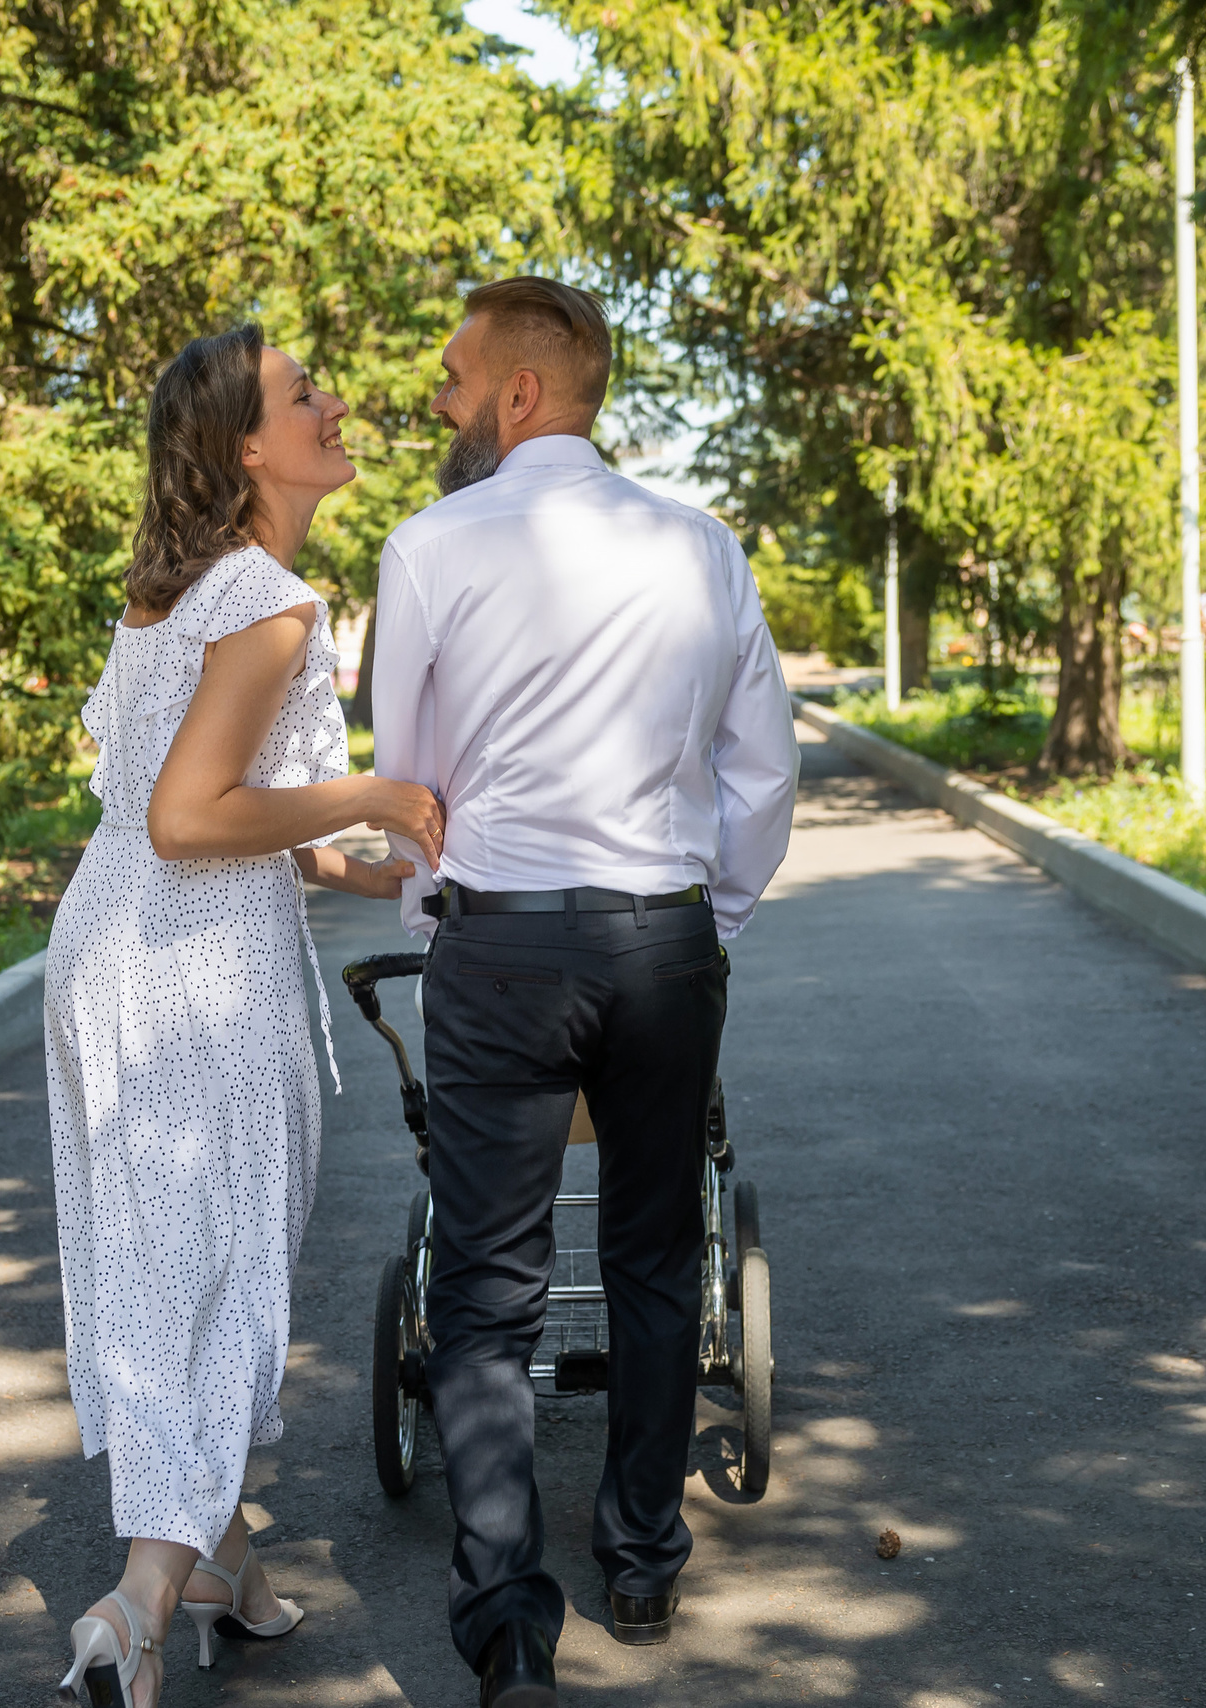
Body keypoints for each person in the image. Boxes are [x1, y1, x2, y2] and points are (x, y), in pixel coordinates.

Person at [371, 279, 800, 1706]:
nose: (437, 402)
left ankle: (506, 1630)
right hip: (661, 942)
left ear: (516, 395)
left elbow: (411, 784)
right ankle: (641, 1554)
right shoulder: (701, 546)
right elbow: (762, 766)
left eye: (450, 379)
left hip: (499, 944)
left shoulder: (428, 545)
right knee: (656, 1255)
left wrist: (446, 912)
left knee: (485, 1296)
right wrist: (706, 914)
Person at [44, 323, 445, 1708]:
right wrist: (374, 796)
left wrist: (352, 862)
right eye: (300, 394)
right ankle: (142, 1597)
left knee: (164, 1270)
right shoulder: (267, 604)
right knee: (214, 1280)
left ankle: (228, 1575)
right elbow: (188, 813)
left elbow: (188, 800)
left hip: (107, 951)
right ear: (244, 449)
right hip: (196, 980)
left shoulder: (178, 595)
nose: (331, 403)